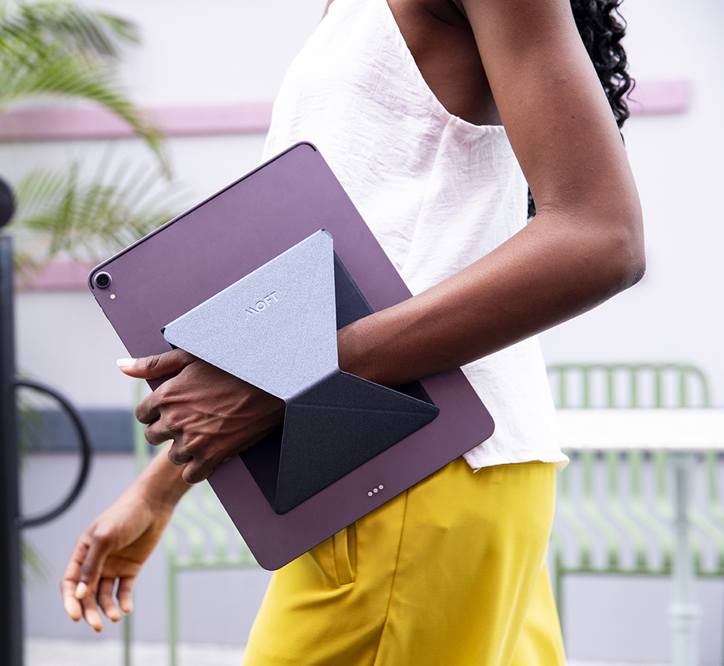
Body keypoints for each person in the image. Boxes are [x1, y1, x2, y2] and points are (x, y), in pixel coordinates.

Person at [62, 0, 643, 663]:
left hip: (414, 484)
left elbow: (602, 238)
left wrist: (294, 380)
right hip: (420, 481)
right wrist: (162, 486)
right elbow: (327, 278)